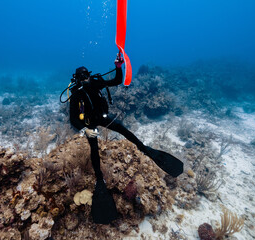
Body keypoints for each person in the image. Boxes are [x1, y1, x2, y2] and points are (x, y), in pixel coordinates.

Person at [68, 54, 183, 224]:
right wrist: (84, 129)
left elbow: (116, 81)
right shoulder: (76, 93)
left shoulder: (96, 81)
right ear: (77, 79)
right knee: (94, 149)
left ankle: (144, 148)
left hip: (102, 117)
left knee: (123, 129)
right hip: (89, 123)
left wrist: (118, 66)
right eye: (82, 77)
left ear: (89, 75)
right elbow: (73, 118)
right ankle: (100, 179)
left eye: (86, 75)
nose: (85, 79)